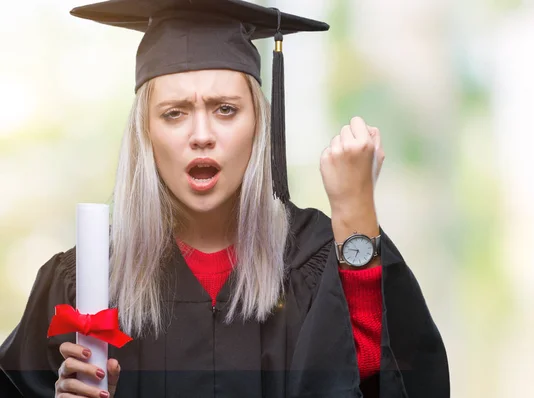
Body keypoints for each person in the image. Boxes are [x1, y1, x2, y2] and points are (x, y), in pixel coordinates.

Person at [0, 0, 450, 397]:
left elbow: (388, 383)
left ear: (259, 124)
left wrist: (355, 215)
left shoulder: (320, 258)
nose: (201, 136)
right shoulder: (86, 283)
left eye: (226, 109)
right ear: (146, 134)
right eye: (174, 113)